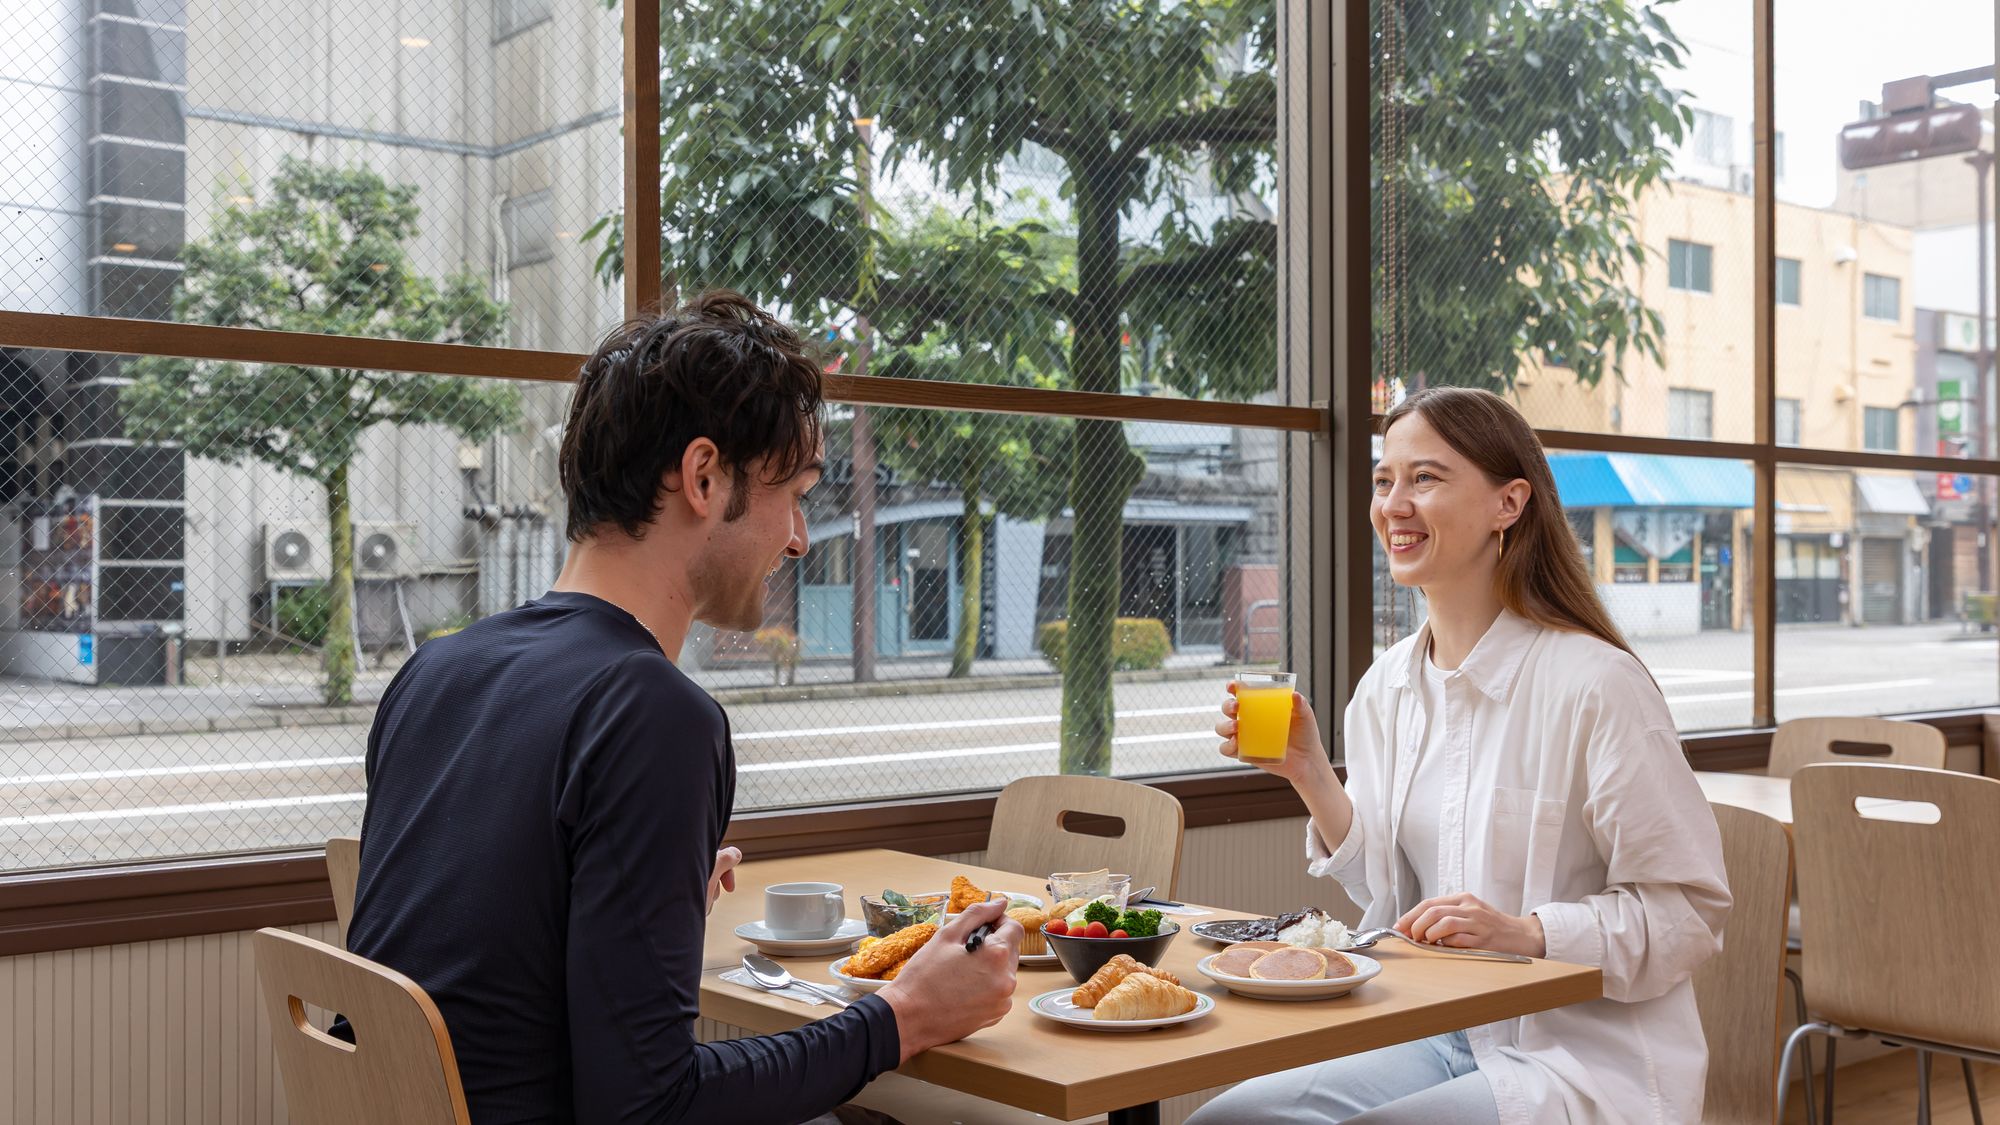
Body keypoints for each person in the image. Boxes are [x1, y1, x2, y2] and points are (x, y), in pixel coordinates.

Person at [344, 290, 1022, 1124]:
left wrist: (627, 896)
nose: (801, 536)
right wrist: (906, 1014)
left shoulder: (437, 669)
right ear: (704, 477)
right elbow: (648, 1107)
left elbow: (477, 947)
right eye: (793, 492)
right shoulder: (651, 711)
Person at [1189, 387, 1730, 1125]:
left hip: (1576, 1058)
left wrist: (1530, 931)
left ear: (1509, 503)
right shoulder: (1386, 687)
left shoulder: (1597, 684)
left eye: (1426, 478)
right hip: (1438, 1030)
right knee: (1225, 1121)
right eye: (1385, 480)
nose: (1393, 504)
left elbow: (1689, 913)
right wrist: (1311, 772)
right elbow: (1390, 891)